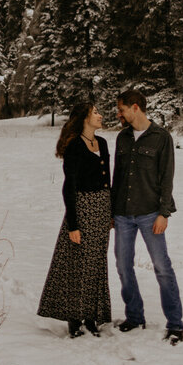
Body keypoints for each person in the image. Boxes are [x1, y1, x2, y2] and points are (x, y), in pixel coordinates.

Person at [111, 87, 183, 343]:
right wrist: (112, 211)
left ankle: (175, 324)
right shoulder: (122, 138)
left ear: (135, 107)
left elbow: (167, 178)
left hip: (150, 214)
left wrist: (164, 213)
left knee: (162, 267)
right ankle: (134, 316)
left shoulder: (161, 137)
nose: (118, 114)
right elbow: (117, 177)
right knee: (122, 266)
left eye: (121, 109)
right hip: (122, 215)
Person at [37, 101, 112, 337]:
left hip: (102, 208)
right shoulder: (74, 146)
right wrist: (73, 224)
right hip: (83, 207)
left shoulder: (102, 143)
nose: (100, 115)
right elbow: (69, 187)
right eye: (95, 112)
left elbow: (107, 179)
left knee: (96, 263)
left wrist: (110, 213)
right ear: (84, 118)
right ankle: (73, 318)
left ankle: (91, 316)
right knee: (77, 263)